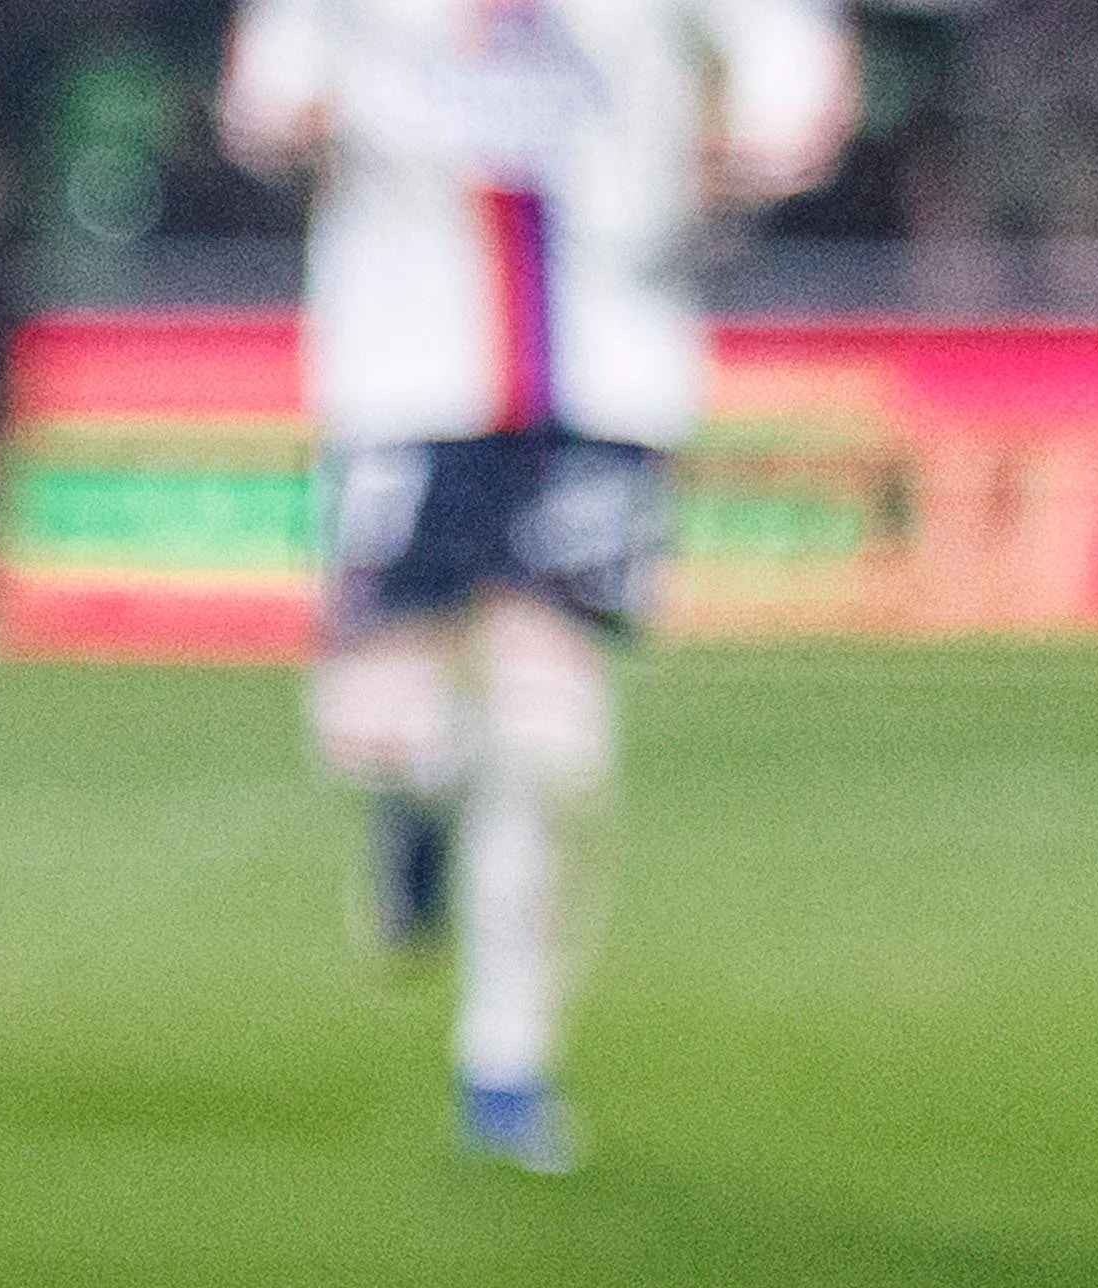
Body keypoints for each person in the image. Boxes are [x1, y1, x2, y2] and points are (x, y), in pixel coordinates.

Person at [222, 0, 848, 1167]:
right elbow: (264, 103)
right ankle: (423, 794)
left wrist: (748, 143)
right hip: (407, 374)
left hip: (606, 377)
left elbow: (794, 65)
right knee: (372, 727)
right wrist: (316, 125)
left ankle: (506, 1063)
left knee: (553, 739)